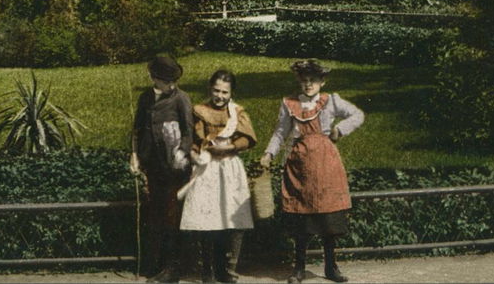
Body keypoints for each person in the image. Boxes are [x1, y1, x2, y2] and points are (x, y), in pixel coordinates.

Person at [257, 59, 364, 284]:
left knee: (328, 217)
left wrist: (339, 130)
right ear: (299, 81)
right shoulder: (289, 103)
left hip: (326, 165)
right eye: (304, 81)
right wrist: (269, 154)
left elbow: (358, 115)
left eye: (313, 81)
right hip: (299, 165)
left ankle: (330, 267)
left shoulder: (331, 101)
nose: (308, 85)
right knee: (301, 218)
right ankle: (299, 269)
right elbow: (280, 132)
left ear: (322, 82)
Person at [179, 68, 256, 283]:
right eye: (216, 91)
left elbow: (247, 139)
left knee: (230, 216)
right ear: (210, 89)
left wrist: (231, 146)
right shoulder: (200, 111)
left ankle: (227, 269)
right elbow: (195, 140)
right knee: (208, 218)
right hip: (208, 168)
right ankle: (208, 270)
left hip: (229, 167)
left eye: (224, 92)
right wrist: (195, 153)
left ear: (231, 93)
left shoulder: (236, 112)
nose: (220, 96)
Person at [131, 53, 194, 283]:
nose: (170, 85)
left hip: (173, 167)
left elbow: (189, 133)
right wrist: (135, 155)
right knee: (155, 214)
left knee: (171, 216)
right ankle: (156, 263)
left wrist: (181, 151)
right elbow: (137, 129)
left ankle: (172, 268)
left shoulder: (181, 99)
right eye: (165, 81)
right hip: (152, 165)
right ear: (153, 78)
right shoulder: (145, 98)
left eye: (172, 81)